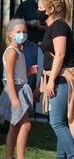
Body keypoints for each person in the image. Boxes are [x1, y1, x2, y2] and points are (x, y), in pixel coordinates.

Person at [37, 0, 74, 159]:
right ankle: (60, 156)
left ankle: (72, 156)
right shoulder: (54, 27)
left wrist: (51, 82)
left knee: (56, 123)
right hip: (57, 79)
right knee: (61, 122)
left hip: (61, 81)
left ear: (51, 9)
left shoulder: (59, 26)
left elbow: (61, 54)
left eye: (41, 8)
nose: (38, 11)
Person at [0, 19, 38, 159]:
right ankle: (21, 157)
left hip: (19, 88)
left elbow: (16, 73)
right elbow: (9, 76)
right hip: (15, 91)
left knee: (14, 126)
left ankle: (9, 156)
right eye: (18, 32)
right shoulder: (12, 52)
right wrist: (14, 98)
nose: (22, 35)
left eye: (24, 32)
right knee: (26, 125)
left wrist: (28, 72)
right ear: (10, 34)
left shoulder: (18, 50)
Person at [14, 0, 49, 90]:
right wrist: (29, 23)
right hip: (30, 44)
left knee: (45, 77)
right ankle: (25, 103)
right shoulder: (26, 5)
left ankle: (41, 104)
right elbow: (15, 22)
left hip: (45, 45)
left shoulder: (49, 5)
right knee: (27, 77)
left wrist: (47, 26)